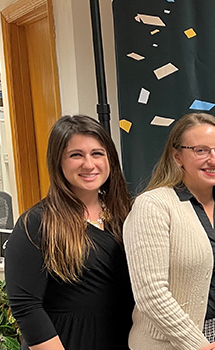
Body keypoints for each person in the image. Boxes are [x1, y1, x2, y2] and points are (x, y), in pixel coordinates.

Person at [6, 115, 134, 350]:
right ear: (58, 162)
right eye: (76, 155)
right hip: (66, 341)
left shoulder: (128, 214)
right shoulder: (38, 223)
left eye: (97, 153)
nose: (89, 164)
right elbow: (26, 306)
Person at [123, 113, 215, 350]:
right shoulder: (153, 206)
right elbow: (151, 293)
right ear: (177, 156)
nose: (214, 159)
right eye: (201, 150)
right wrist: (198, 346)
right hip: (168, 345)